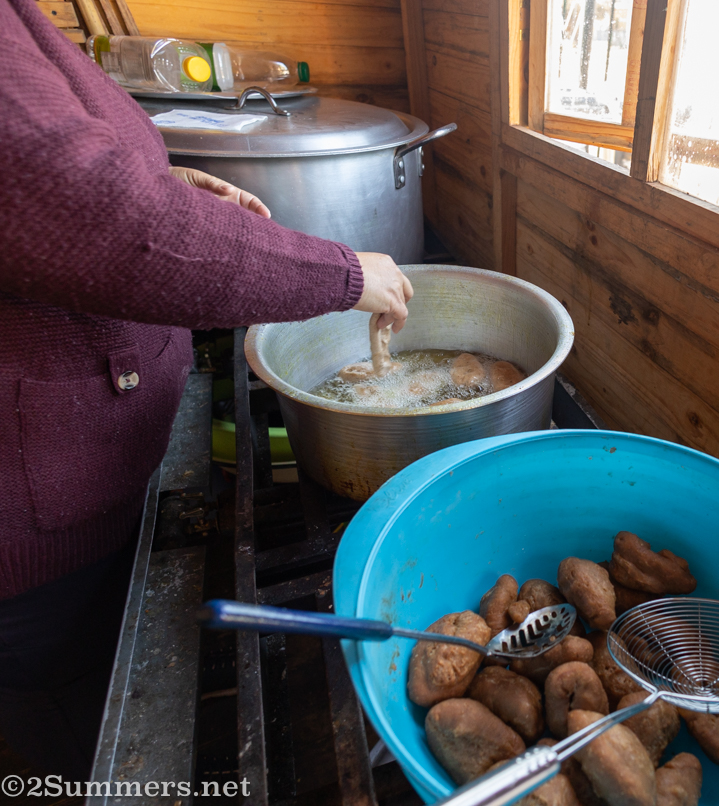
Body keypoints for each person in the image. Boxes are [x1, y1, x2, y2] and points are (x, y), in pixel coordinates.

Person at [0, 0, 414, 779]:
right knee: (103, 742)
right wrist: (344, 273)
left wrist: (165, 178)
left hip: (96, 478)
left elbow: (61, 176)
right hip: (30, 539)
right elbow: (89, 211)